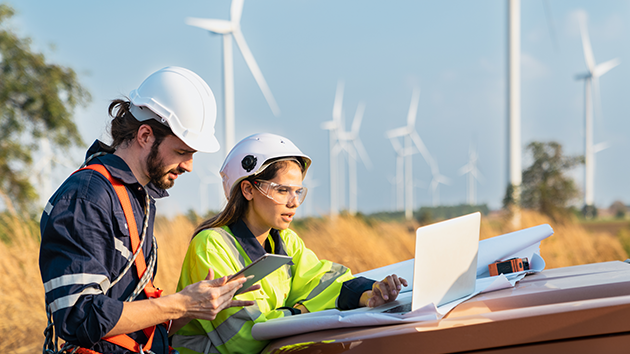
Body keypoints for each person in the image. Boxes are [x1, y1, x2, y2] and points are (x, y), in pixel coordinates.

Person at [39, 66, 259, 354]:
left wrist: (198, 305)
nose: (189, 166)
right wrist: (180, 303)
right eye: (182, 152)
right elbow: (79, 316)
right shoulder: (87, 197)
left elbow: (132, 315)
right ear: (145, 135)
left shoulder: (137, 198)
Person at [172, 133, 408, 354]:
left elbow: (325, 282)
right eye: (283, 190)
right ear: (247, 190)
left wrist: (368, 294)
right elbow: (243, 339)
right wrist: (302, 311)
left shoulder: (285, 241)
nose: (294, 202)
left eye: (298, 192)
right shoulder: (211, 245)